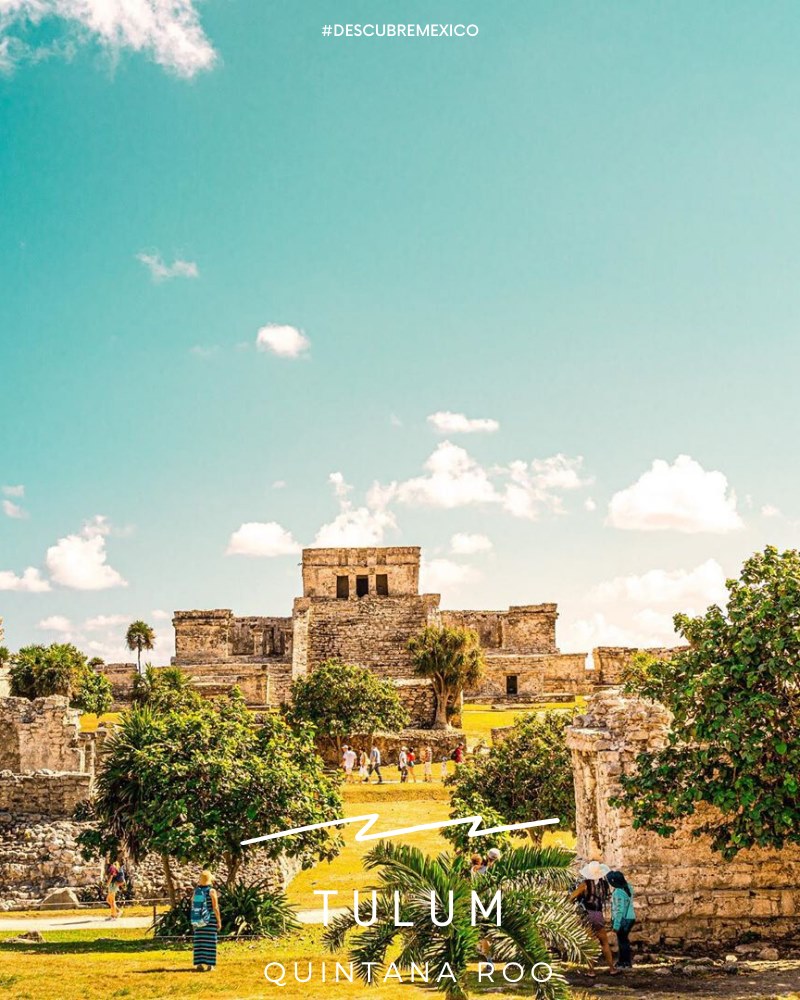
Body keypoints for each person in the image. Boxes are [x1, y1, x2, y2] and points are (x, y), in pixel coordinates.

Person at [569, 861, 617, 975]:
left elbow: (571, 897)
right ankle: (612, 969)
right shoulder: (604, 885)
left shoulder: (585, 884)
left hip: (588, 914)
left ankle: (591, 970)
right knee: (604, 942)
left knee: (590, 942)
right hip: (598, 914)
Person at [191, 870, 222, 972]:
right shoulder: (212, 891)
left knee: (199, 941)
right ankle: (210, 965)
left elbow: (193, 905)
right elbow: (215, 907)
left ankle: (199, 964)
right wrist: (219, 921)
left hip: (198, 919)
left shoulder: (196, 891)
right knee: (210, 941)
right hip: (209, 920)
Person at [607, 869, 636, 969]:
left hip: (623, 919)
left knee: (622, 941)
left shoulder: (618, 892)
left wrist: (616, 925)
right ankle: (625, 962)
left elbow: (620, 910)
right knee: (624, 940)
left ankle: (624, 962)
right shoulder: (628, 887)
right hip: (631, 917)